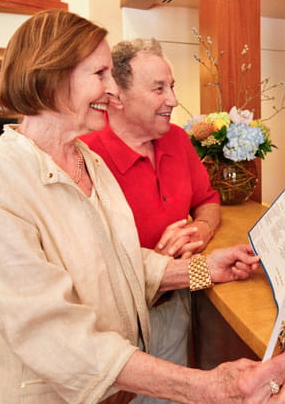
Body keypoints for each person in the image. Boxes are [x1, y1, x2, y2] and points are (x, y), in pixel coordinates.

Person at [0, 9, 285, 403]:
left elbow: (122, 263)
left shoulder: (88, 162)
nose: (113, 92)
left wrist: (204, 269)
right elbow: (49, 333)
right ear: (50, 74)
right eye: (100, 75)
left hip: (118, 387)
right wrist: (205, 387)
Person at [81, 39, 220, 402]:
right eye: (159, 88)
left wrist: (200, 230)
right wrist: (209, 269)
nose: (173, 99)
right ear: (116, 96)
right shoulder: (86, 158)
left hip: (174, 305)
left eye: (171, 86)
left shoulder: (177, 139)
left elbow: (208, 201)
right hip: (117, 320)